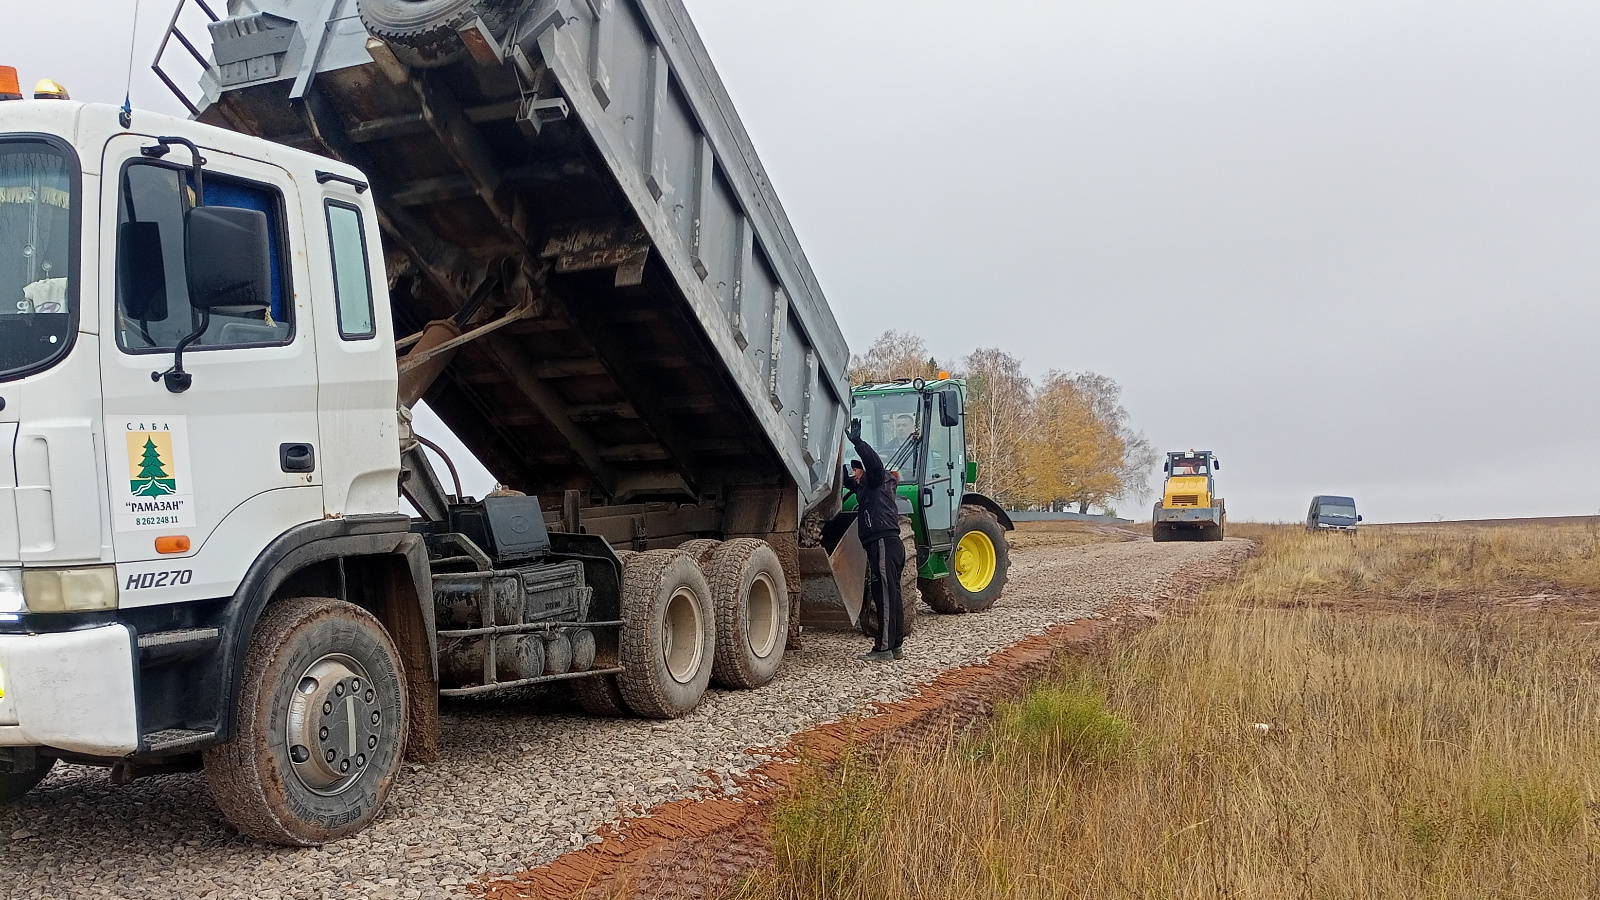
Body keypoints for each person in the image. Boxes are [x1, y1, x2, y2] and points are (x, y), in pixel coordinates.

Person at [844, 418, 905, 662]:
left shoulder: (878, 479)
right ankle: (896, 645)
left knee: (885, 596)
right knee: (891, 593)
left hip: (883, 543)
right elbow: (847, 481)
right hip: (887, 544)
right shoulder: (869, 487)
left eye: (856, 470)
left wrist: (858, 443)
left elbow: (874, 465)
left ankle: (883, 649)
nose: (853, 474)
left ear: (865, 469)